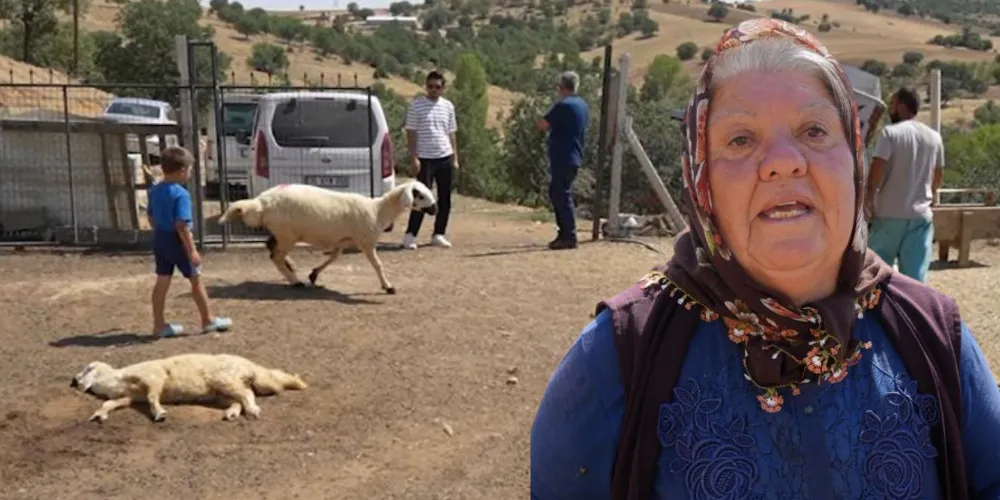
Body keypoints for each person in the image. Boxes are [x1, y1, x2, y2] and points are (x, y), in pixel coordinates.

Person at [530, 19, 1000, 499]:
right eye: (740, 139)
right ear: (702, 181)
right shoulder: (617, 357)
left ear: (855, 160)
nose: (783, 161)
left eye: (814, 130)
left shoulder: (933, 335)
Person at [147, 146, 232, 338]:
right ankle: (208, 320)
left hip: (160, 239)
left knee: (162, 281)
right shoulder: (181, 194)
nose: (191, 174)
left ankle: (159, 325)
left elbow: (151, 217)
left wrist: (161, 230)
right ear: (182, 170)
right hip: (178, 242)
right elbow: (182, 225)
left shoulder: (155, 190)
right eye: (191, 170)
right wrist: (192, 250)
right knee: (196, 279)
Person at [866, 87, 945, 283]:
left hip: (888, 214)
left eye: (892, 104)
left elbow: (877, 169)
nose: (890, 108)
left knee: (877, 276)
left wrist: (868, 200)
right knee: (915, 278)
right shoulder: (934, 137)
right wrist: (932, 195)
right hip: (920, 216)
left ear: (901, 105)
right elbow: (938, 174)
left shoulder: (890, 134)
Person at [402, 70, 459, 250]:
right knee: (420, 198)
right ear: (426, 87)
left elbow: (451, 133)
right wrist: (414, 157)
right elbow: (411, 132)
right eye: (430, 86)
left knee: (445, 198)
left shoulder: (448, 106)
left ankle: (439, 233)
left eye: (437, 87)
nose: (434, 89)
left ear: (443, 88)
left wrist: (455, 158)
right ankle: (410, 235)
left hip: (444, 156)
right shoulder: (416, 105)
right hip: (425, 158)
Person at [537, 70, 589, 250]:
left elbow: (542, 124)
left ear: (561, 87)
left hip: (563, 155)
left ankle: (569, 235)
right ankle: (564, 233)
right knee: (558, 192)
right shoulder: (582, 104)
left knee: (561, 194)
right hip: (574, 154)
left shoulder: (563, 105)